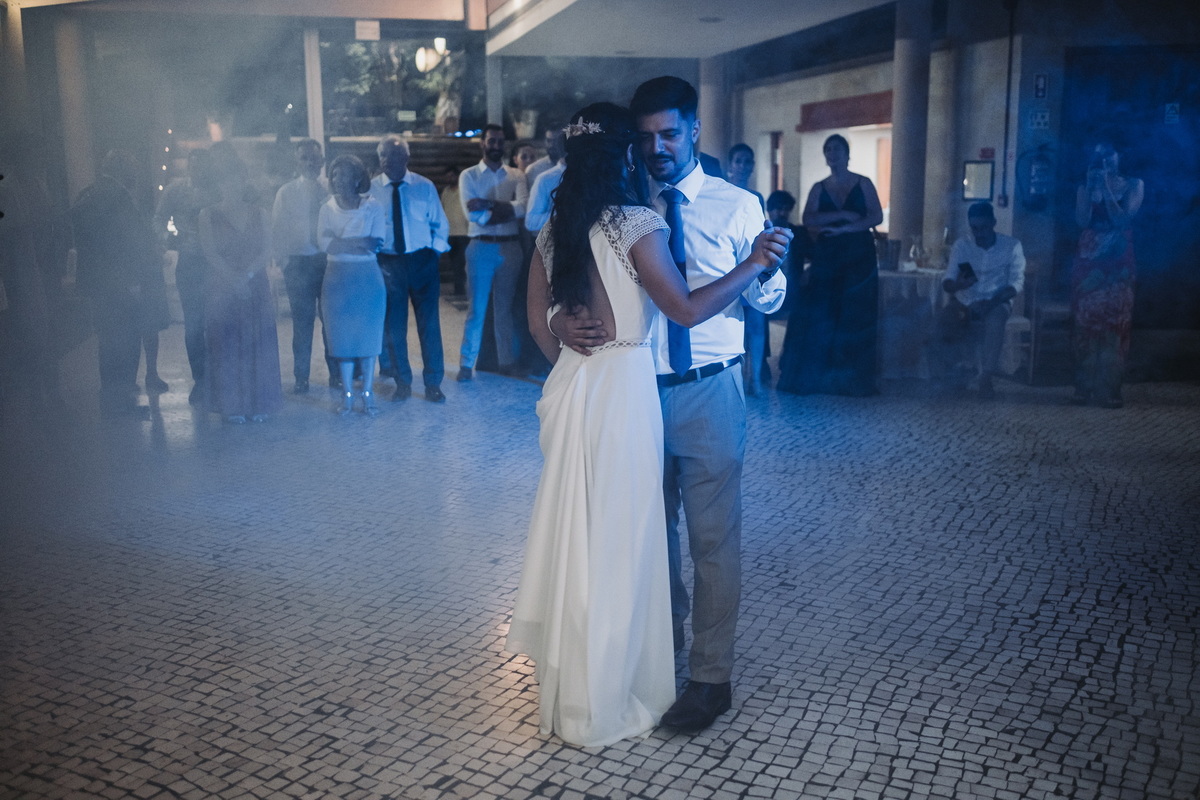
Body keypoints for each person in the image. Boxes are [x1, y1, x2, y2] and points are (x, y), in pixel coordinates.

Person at [507, 101, 790, 747]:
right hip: (632, 393)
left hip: (644, 390)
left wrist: (566, 338)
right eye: (645, 139)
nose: (656, 148)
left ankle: (700, 678)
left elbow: (538, 328)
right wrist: (750, 264)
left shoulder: (566, 223)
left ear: (693, 131)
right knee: (633, 539)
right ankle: (640, 668)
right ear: (627, 151)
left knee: (642, 538)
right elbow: (682, 309)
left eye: (668, 135)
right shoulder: (635, 219)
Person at [777, 133, 883, 397]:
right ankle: (823, 376)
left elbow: (876, 216)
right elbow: (809, 218)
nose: (832, 154)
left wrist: (845, 228)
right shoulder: (819, 187)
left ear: (847, 154)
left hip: (858, 254)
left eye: (836, 149)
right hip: (829, 255)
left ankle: (852, 379)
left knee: (854, 312)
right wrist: (843, 215)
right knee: (824, 310)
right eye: (828, 150)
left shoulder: (863, 182)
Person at [71, 150, 162, 418]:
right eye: (133, 168)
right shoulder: (118, 197)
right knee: (126, 343)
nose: (136, 173)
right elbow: (129, 243)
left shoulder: (87, 194)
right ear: (123, 170)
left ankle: (111, 400)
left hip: (98, 283)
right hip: (120, 283)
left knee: (108, 342)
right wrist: (135, 279)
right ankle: (122, 404)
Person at [198, 150, 283, 424]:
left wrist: (246, 276)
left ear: (243, 181)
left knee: (257, 342)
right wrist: (233, 279)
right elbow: (210, 252)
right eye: (225, 180)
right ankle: (232, 405)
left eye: (235, 179)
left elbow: (267, 249)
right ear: (218, 183)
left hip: (254, 283)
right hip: (222, 287)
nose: (231, 185)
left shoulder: (260, 213)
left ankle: (259, 401)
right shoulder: (207, 214)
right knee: (227, 344)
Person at [369, 135, 451, 404]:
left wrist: (433, 254)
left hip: (422, 261)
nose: (387, 160)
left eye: (394, 155)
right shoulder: (371, 190)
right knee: (394, 327)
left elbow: (440, 224)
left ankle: (433, 383)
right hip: (389, 263)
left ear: (406, 157)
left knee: (430, 325)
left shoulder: (423, 186)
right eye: (383, 155)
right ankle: (402, 382)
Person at [1071, 141, 1143, 408]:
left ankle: (1111, 388)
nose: (1103, 160)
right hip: (1089, 259)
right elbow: (1081, 221)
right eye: (1098, 155)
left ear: (1119, 155)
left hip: (1118, 259)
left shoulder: (1134, 184)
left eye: (1108, 154)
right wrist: (1092, 189)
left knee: (1116, 322)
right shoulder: (1085, 186)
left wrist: (1108, 190)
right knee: (1085, 321)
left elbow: (1122, 219)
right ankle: (1083, 385)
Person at [319, 155, 387, 416]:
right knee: (342, 338)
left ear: (357, 179)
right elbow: (325, 244)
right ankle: (347, 394)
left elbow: (375, 243)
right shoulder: (326, 209)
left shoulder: (373, 207)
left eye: (343, 174)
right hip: (337, 278)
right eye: (334, 175)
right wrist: (359, 241)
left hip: (367, 278)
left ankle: (367, 392)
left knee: (368, 337)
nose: (338, 180)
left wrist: (342, 240)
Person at [457, 124, 526, 381]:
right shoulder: (469, 176)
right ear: (482, 143)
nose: (496, 146)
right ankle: (466, 364)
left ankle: (506, 362)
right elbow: (473, 216)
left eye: (500, 141)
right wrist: (506, 210)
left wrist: (488, 204)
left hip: (510, 246)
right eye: (491, 141)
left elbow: (524, 208)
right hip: (480, 246)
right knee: (476, 308)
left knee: (505, 309)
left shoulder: (517, 175)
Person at [937, 202, 1026, 399]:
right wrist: (959, 285)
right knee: (945, 319)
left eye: (983, 228)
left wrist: (990, 303)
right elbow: (947, 281)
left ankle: (986, 376)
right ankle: (953, 372)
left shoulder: (1011, 246)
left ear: (993, 223)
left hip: (996, 300)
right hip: (966, 300)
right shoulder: (963, 246)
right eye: (974, 228)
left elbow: (1016, 284)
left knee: (995, 321)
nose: (979, 233)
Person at [271, 139, 336, 394]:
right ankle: (301, 376)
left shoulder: (332, 189)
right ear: (297, 162)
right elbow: (278, 229)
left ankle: (336, 374)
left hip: (328, 261)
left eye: (314, 158)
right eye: (304, 158)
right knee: (302, 322)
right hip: (298, 263)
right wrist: (284, 262)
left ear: (322, 161)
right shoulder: (286, 192)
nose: (310, 163)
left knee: (331, 321)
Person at [156, 148, 215, 404]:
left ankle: (216, 377)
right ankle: (200, 380)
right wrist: (166, 241)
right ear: (189, 167)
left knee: (216, 321)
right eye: (194, 165)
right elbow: (159, 218)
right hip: (190, 262)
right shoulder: (176, 190)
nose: (198, 170)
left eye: (203, 165)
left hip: (216, 263)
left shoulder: (218, 191)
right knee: (193, 324)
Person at [727, 143, 769, 395]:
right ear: (730, 165)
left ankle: (756, 378)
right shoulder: (721, 192)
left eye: (747, 162)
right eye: (738, 161)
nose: (743, 167)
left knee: (756, 321)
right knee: (732, 320)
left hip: (751, 260)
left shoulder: (756, 197)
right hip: (728, 265)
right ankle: (735, 376)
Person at [440, 166, 469, 296]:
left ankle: (461, 289)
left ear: (457, 177)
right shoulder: (445, 192)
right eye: (447, 176)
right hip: (450, 233)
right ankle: (458, 288)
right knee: (454, 263)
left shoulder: (464, 191)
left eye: (452, 176)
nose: (449, 179)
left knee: (460, 263)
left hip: (463, 233)